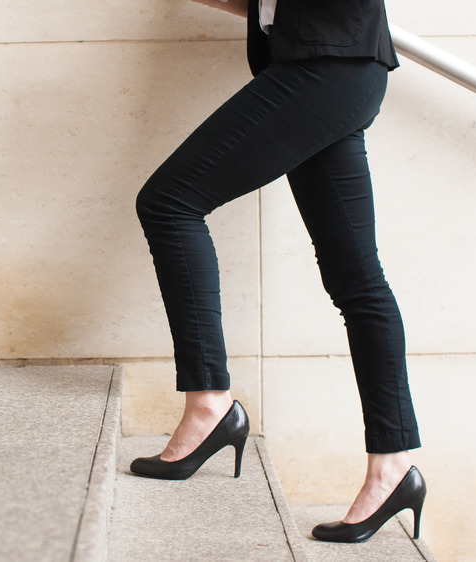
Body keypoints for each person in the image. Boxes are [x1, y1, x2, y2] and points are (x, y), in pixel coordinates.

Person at [129, 0, 426, 543]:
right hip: (322, 62)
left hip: (328, 63)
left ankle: (209, 404)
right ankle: (393, 467)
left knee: (170, 202)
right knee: (356, 278)